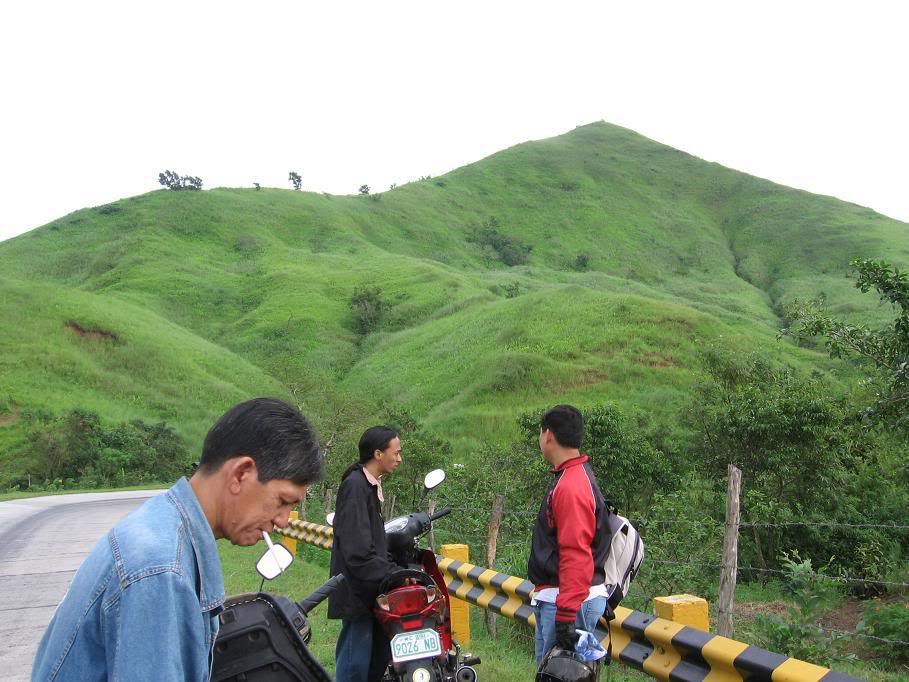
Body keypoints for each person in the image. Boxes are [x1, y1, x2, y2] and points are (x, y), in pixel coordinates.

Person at [32, 397, 323, 681]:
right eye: (283, 501)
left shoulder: (164, 527)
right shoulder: (160, 568)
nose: (283, 520)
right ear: (240, 474)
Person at [527, 404, 612, 665]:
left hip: (567, 602)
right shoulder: (573, 476)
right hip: (563, 599)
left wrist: (565, 615)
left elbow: (576, 552)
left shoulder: (571, 485)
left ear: (548, 435)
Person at [328, 425, 403, 682]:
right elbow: (357, 550)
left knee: (374, 662)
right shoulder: (355, 487)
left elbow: (373, 541)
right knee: (354, 666)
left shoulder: (368, 485)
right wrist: (391, 574)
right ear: (378, 453)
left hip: (371, 587)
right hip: (357, 590)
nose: (399, 458)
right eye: (396, 452)